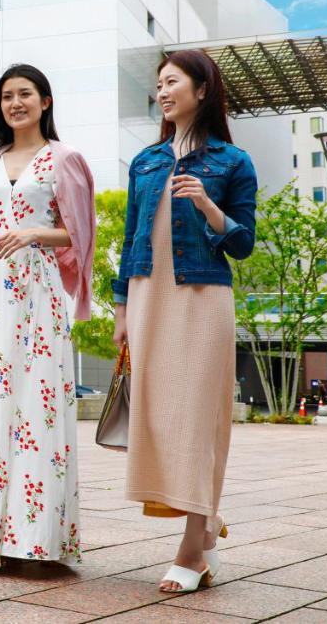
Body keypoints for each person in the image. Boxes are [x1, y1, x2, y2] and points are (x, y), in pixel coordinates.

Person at [0, 64, 97, 570]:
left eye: (25, 94)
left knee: (34, 405)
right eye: (7, 96)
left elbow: (82, 232)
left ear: (45, 101)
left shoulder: (64, 158)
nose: (15, 103)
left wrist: (33, 233)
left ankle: (33, 539)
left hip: (37, 292)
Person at [111, 49, 257, 593]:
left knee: (198, 418)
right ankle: (206, 528)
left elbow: (243, 242)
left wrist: (209, 208)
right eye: (159, 84)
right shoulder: (145, 162)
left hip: (202, 297)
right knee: (157, 416)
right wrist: (122, 309)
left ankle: (192, 550)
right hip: (149, 295)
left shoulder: (232, 162)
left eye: (172, 82)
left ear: (202, 90)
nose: (163, 92)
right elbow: (130, 239)